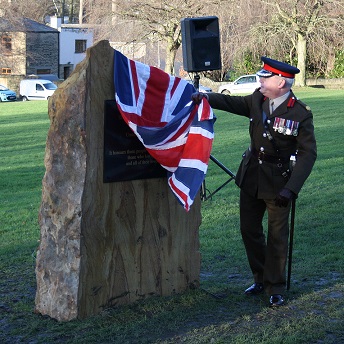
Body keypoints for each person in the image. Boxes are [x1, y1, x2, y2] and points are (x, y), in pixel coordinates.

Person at [192, 57, 317, 307]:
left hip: (279, 183)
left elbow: (308, 153)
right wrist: (204, 97)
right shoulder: (257, 99)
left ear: (281, 81)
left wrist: (291, 188)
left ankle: (275, 287)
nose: (260, 81)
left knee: (277, 236)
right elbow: (230, 102)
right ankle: (260, 277)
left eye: (265, 77)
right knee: (249, 230)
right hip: (251, 177)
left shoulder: (299, 113)